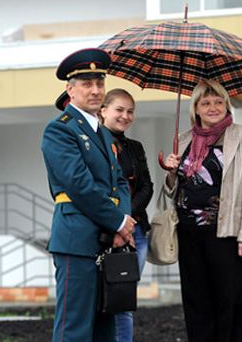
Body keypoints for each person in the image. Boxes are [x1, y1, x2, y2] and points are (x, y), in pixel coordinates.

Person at [41, 48, 137, 342]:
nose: (95, 90)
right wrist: (118, 222)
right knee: (75, 328)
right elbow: (79, 184)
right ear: (70, 90)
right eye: (87, 84)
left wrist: (123, 221)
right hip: (77, 239)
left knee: (104, 327)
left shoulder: (104, 133)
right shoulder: (59, 131)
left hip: (107, 241)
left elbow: (119, 182)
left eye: (99, 83)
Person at [162, 79, 242, 342]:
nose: (213, 107)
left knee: (227, 303)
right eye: (206, 102)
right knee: (196, 302)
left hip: (227, 234)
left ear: (227, 105)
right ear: (195, 108)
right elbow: (173, 191)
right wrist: (172, 173)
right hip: (188, 233)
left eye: (219, 102)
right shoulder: (183, 140)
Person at [100, 89, 153, 342]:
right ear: (103, 110)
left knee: (123, 299)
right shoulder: (95, 144)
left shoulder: (135, 147)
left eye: (130, 111)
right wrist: (117, 223)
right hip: (102, 233)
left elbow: (147, 187)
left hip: (136, 233)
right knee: (98, 300)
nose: (125, 116)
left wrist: (127, 222)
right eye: (119, 110)